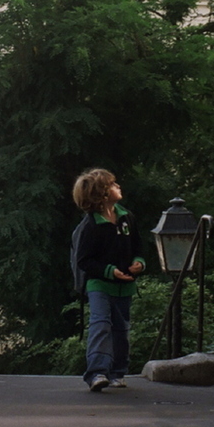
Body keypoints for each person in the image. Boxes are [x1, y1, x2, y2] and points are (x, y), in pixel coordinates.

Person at [73, 168, 145, 392]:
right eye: (113, 185)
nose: (118, 187)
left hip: (125, 286)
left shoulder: (127, 218)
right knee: (101, 324)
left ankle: (117, 371)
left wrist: (139, 263)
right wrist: (110, 271)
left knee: (121, 329)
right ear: (103, 194)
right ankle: (97, 373)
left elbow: (139, 248)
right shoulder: (91, 226)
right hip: (100, 285)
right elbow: (84, 261)